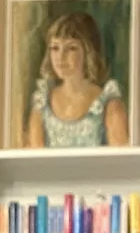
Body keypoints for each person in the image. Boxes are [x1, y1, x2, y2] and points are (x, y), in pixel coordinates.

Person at [26, 12, 129, 149]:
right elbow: (34, 161)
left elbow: (120, 162)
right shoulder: (42, 103)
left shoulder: (108, 105)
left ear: (88, 52)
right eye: (55, 48)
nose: (60, 57)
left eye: (71, 48)